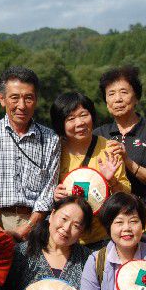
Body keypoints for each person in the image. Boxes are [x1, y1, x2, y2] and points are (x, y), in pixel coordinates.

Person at [0, 67, 61, 241]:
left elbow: (48, 190)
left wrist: (26, 229)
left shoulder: (51, 139)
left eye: (28, 98)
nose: (21, 105)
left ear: (36, 100)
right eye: (14, 98)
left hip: (36, 224)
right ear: (2, 98)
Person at [51, 92, 130, 249]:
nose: (80, 123)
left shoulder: (109, 149)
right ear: (61, 124)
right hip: (64, 237)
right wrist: (54, 194)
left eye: (83, 115)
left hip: (101, 238)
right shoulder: (54, 150)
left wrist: (112, 181)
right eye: (71, 119)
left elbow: (126, 196)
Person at [95, 67, 146, 204]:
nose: (117, 99)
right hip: (107, 213)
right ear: (106, 102)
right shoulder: (99, 134)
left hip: (144, 209)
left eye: (124, 92)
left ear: (136, 98)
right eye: (111, 94)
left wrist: (127, 160)